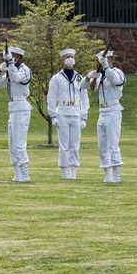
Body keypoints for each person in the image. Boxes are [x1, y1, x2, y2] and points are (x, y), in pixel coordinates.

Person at [82, 50, 126, 183]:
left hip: (113, 111)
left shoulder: (117, 72)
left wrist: (106, 67)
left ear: (111, 60)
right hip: (102, 113)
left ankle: (116, 176)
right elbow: (83, 87)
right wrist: (89, 76)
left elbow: (116, 81)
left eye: (107, 59)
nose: (104, 62)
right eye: (102, 60)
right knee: (102, 147)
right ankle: (108, 176)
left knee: (113, 144)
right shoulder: (100, 76)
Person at [0, 46, 33, 182]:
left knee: (19, 143)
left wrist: (10, 65)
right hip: (13, 108)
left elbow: (15, 78)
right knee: (12, 144)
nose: (12, 58)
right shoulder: (10, 70)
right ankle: (18, 173)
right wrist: (0, 70)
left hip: (21, 107)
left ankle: (25, 174)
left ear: (20, 57)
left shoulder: (25, 70)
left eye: (14, 56)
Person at [47, 48, 90, 179]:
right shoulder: (56, 78)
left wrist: (84, 116)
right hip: (63, 113)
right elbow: (52, 98)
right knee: (64, 145)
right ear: (62, 60)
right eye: (67, 57)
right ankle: (65, 172)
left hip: (76, 113)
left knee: (75, 145)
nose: (70, 58)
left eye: (72, 56)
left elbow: (84, 97)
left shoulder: (80, 78)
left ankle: (74, 171)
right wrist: (53, 115)